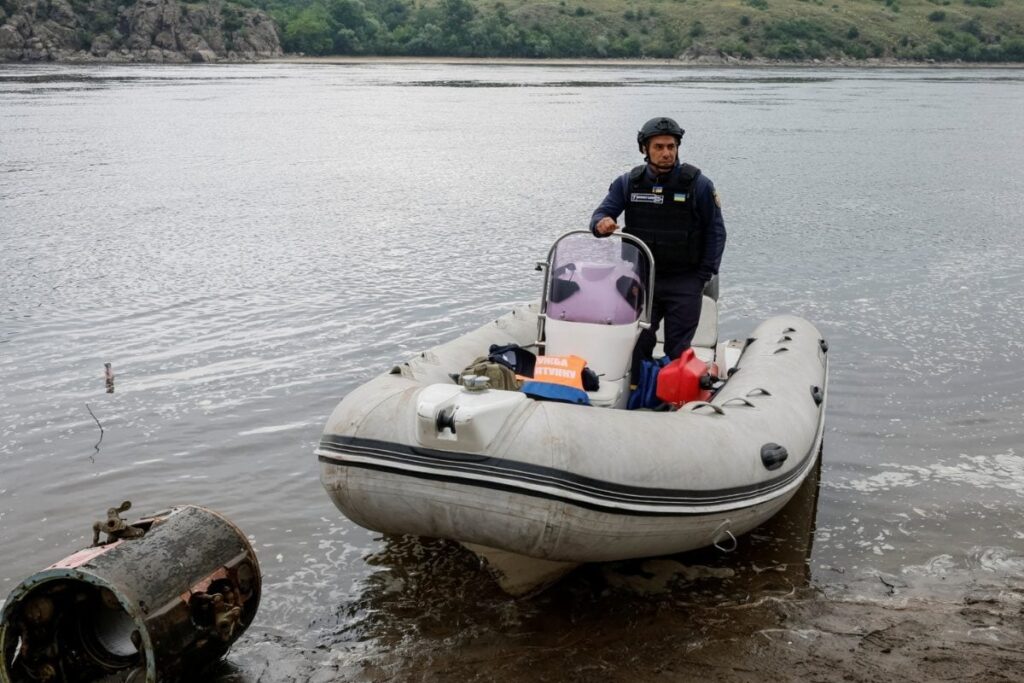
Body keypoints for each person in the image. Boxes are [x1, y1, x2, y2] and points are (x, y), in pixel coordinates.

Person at [590, 116, 726, 371]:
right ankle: (638, 393)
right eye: (659, 147)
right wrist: (602, 223)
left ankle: (672, 401)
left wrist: (703, 276)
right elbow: (600, 215)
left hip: (685, 280)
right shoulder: (628, 182)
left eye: (671, 147)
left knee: (677, 348)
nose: (666, 153)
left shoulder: (698, 184)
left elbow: (716, 232)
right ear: (645, 149)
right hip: (642, 279)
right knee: (638, 342)